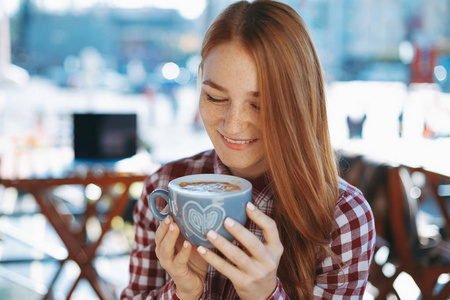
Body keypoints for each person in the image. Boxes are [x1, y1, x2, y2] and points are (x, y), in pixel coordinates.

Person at [121, 1, 375, 299]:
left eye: (259, 105)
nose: (233, 125)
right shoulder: (165, 187)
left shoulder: (343, 216)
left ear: (300, 104)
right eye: (215, 97)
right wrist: (183, 292)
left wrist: (265, 294)